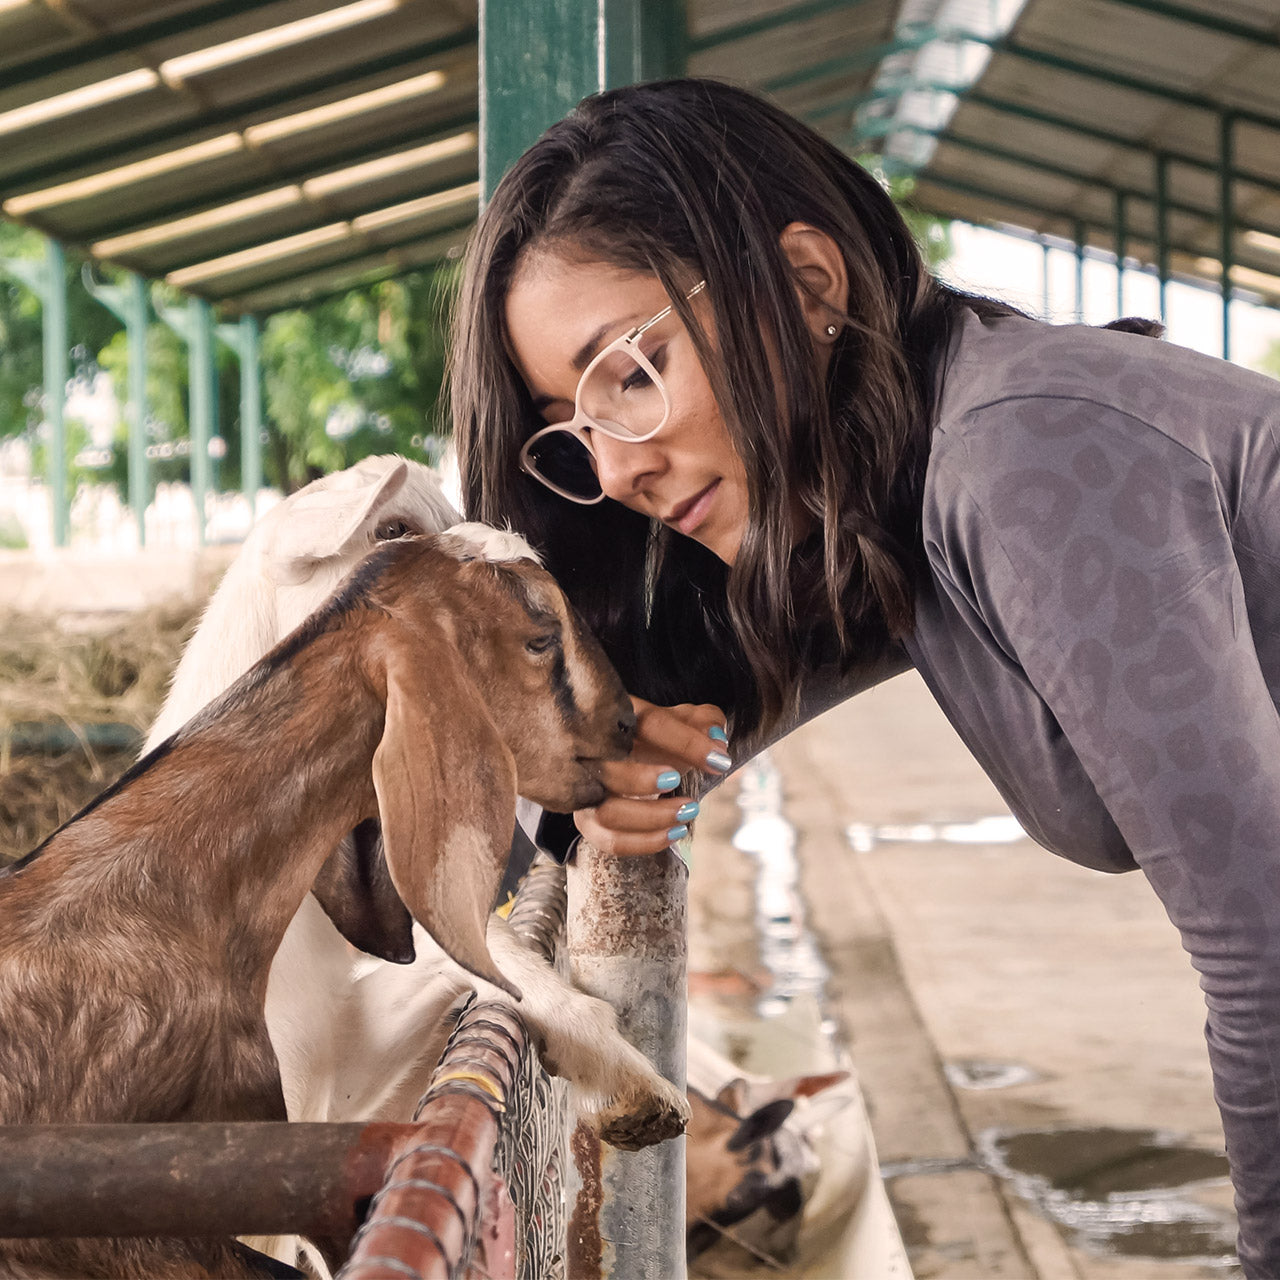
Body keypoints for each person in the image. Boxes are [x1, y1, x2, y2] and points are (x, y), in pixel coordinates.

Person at [450, 77, 1280, 1277]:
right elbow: (692, 707)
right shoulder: (915, 505)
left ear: (805, 285)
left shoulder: (1020, 454)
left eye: (631, 372)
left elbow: (1265, 948)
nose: (614, 465)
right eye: (566, 428)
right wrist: (616, 758)